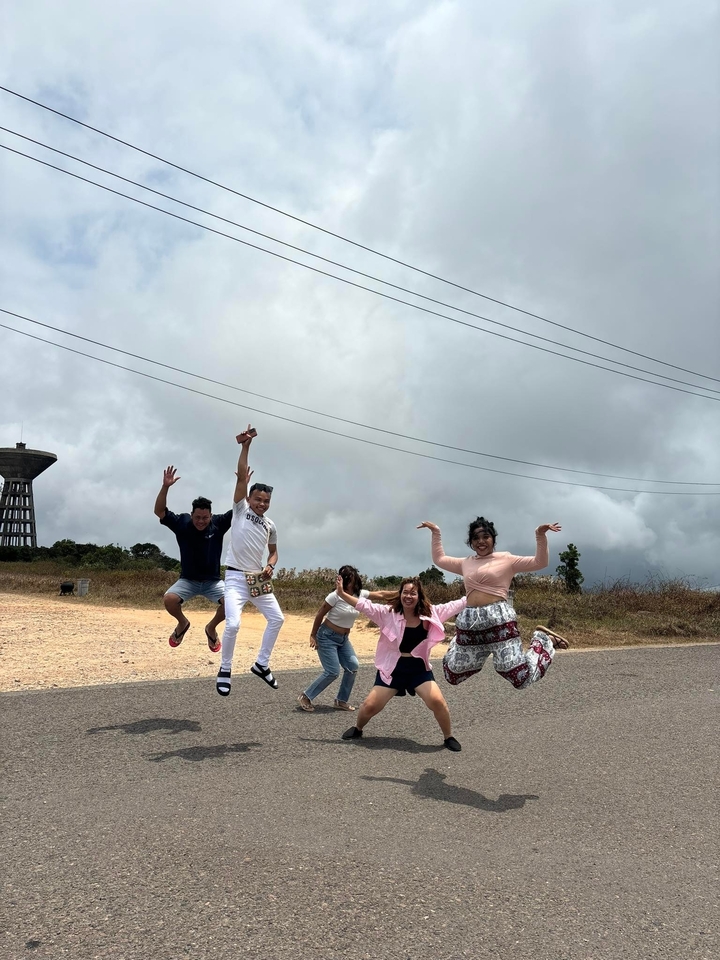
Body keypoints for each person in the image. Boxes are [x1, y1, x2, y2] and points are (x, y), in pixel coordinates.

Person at [417, 517, 569, 690]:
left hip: (499, 623)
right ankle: (456, 642)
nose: (481, 541)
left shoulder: (506, 559)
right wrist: (436, 532)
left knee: (520, 678)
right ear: (471, 542)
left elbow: (540, 562)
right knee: (453, 674)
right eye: (476, 538)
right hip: (470, 625)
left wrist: (540, 534)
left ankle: (543, 641)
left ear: (493, 539)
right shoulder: (465, 563)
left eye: (485, 537)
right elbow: (439, 559)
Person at [335, 575, 467, 751]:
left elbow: (456, 605)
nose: (408, 596)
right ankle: (358, 729)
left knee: (437, 701)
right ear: (400, 594)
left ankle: (448, 737)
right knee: (369, 706)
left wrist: (479, 592)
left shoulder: (431, 613)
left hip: (418, 669)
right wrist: (342, 594)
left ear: (419, 596)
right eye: (405, 592)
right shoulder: (387, 613)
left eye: (413, 593)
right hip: (393, 668)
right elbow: (364, 605)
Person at [216, 426, 284, 697]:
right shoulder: (240, 509)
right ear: (249, 498)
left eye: (266, 501)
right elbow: (242, 477)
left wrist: (271, 564)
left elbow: (274, 552)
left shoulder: (270, 524)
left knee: (277, 619)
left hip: (258, 578)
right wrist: (245, 447)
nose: (262, 504)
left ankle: (261, 664)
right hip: (234, 577)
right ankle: (225, 669)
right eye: (258, 499)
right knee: (233, 624)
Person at [154, 466, 232, 652]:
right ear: (191, 515)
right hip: (187, 580)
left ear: (211, 516)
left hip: (212, 581)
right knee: (169, 599)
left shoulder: (219, 524)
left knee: (232, 604)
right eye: (197, 517)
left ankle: (211, 628)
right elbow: (159, 512)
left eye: (205, 518)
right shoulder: (182, 523)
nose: (201, 521)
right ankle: (182, 624)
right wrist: (165, 487)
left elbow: (240, 508)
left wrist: (243, 483)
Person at [297, 566, 393, 713]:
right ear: (342, 580)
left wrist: (402, 593)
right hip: (326, 636)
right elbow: (319, 614)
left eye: (354, 581)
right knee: (332, 671)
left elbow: (381, 594)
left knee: (352, 666)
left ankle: (341, 700)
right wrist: (313, 635)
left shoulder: (359, 594)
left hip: (343, 639)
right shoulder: (335, 596)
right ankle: (306, 696)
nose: (352, 584)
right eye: (349, 581)